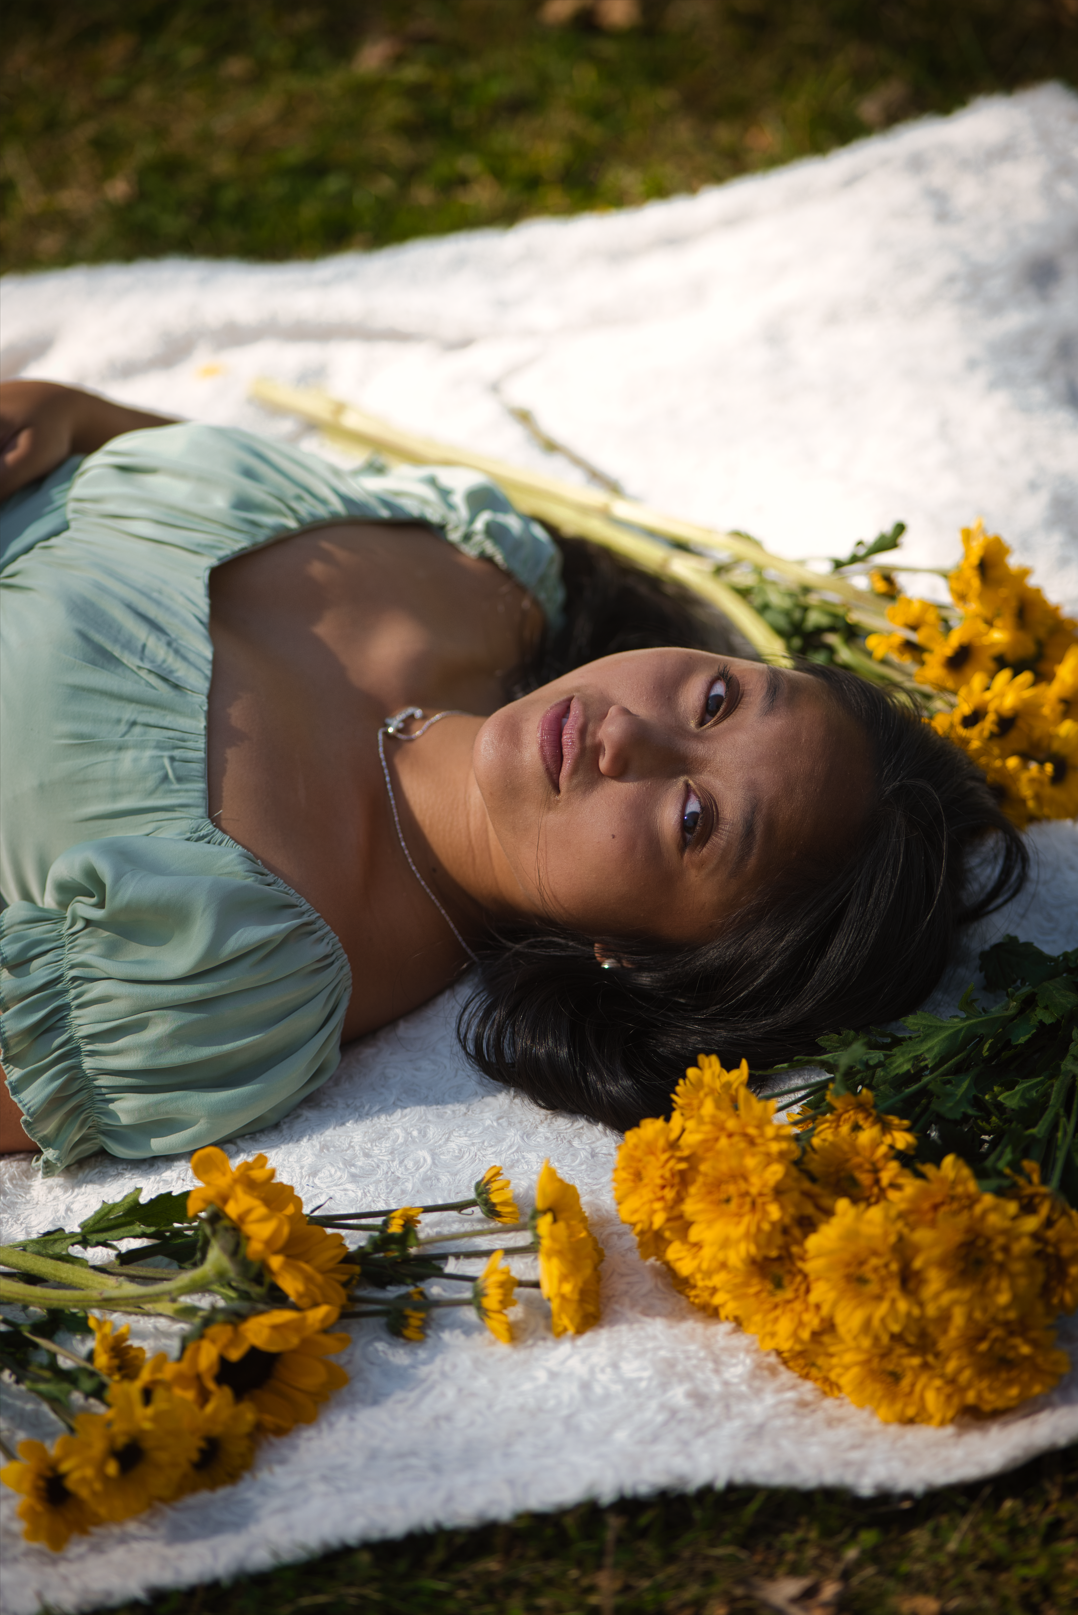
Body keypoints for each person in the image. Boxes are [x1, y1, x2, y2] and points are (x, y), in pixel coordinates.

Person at [0, 381, 1026, 1172]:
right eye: (716, 700)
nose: (631, 736)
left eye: (693, 817)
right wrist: (69, 412)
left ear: (634, 957)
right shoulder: (488, 564)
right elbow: (139, 470)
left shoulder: (223, 975)